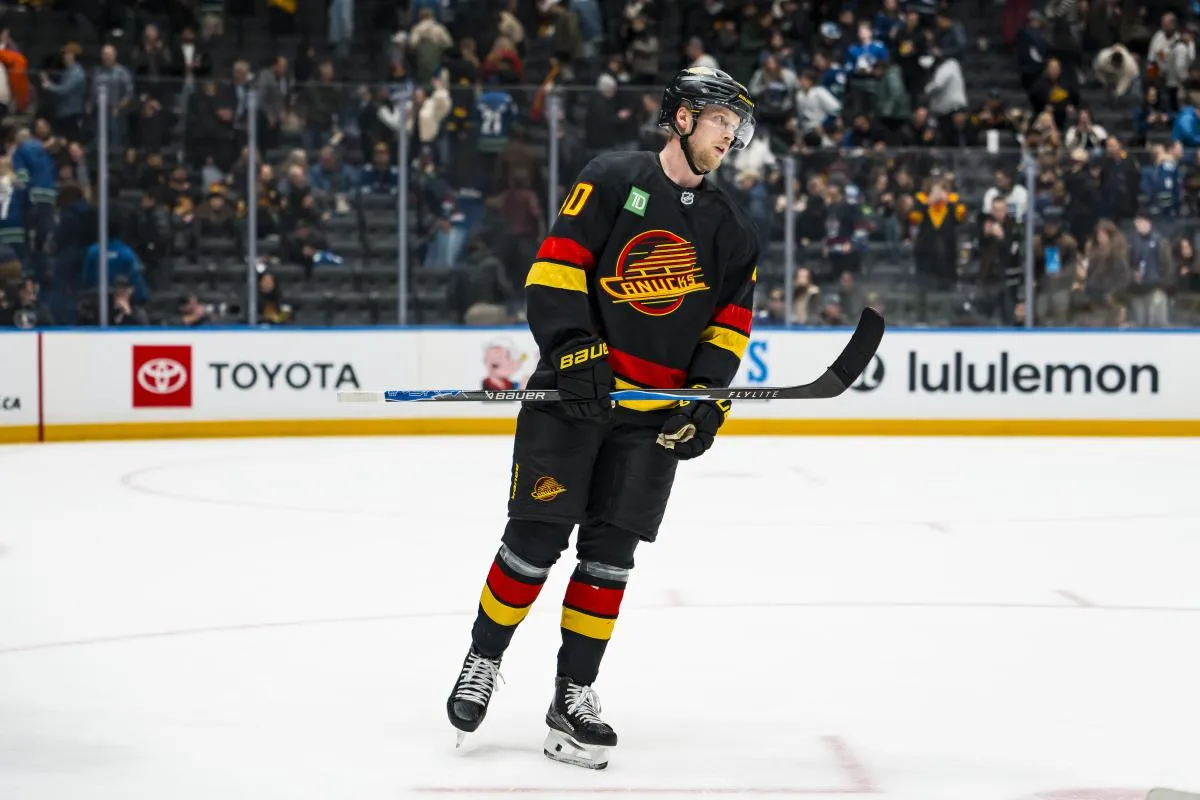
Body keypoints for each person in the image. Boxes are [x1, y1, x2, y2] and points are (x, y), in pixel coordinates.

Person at [445, 67, 759, 770]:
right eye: (720, 120)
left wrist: (705, 397)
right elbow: (555, 269)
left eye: (736, 125)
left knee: (611, 559)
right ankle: (483, 658)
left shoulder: (732, 227)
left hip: (649, 419)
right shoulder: (614, 178)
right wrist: (576, 349)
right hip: (573, 400)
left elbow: (729, 326)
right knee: (532, 540)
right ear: (682, 117)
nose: (730, 134)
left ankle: (573, 697)